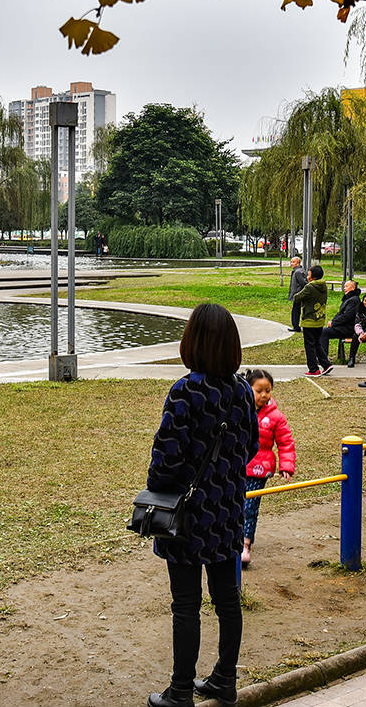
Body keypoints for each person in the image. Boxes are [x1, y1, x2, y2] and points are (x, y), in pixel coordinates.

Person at [144, 303, 255, 707]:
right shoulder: (243, 390)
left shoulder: (185, 391)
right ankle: (225, 679)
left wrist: (159, 487)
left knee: (186, 604)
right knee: (228, 601)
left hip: (188, 518)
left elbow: (166, 460)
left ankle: (180, 690)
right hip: (227, 511)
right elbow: (252, 446)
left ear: (192, 341)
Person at [241, 368, 295, 568]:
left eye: (268, 390)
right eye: (259, 390)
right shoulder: (239, 410)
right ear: (248, 390)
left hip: (259, 468)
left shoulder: (275, 417)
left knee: (250, 507)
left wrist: (286, 465)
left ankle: (245, 545)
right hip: (238, 466)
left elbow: (285, 441)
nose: (264, 395)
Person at [294, 264, 330, 376]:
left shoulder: (310, 287)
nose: (307, 276)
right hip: (320, 319)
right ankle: (326, 364)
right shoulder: (323, 286)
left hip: (309, 320)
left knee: (309, 345)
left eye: (309, 274)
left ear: (313, 277)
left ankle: (313, 369)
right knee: (317, 343)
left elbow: (297, 297)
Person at [321, 279, 363, 367]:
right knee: (324, 331)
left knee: (324, 332)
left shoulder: (354, 300)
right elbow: (340, 314)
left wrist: (334, 323)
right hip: (343, 326)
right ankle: (322, 357)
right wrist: (333, 322)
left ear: (353, 288)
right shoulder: (348, 299)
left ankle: (323, 358)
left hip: (349, 328)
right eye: (344, 287)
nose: (344, 289)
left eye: (347, 286)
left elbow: (347, 316)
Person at [287, 256, 306, 331]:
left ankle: (296, 327)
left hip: (298, 295)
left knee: (296, 311)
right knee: (295, 310)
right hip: (296, 294)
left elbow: (304, 283)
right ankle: (296, 326)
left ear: (298, 263)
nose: (291, 264)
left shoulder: (298, 272)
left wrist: (299, 293)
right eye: (291, 262)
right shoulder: (296, 271)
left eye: (293, 262)